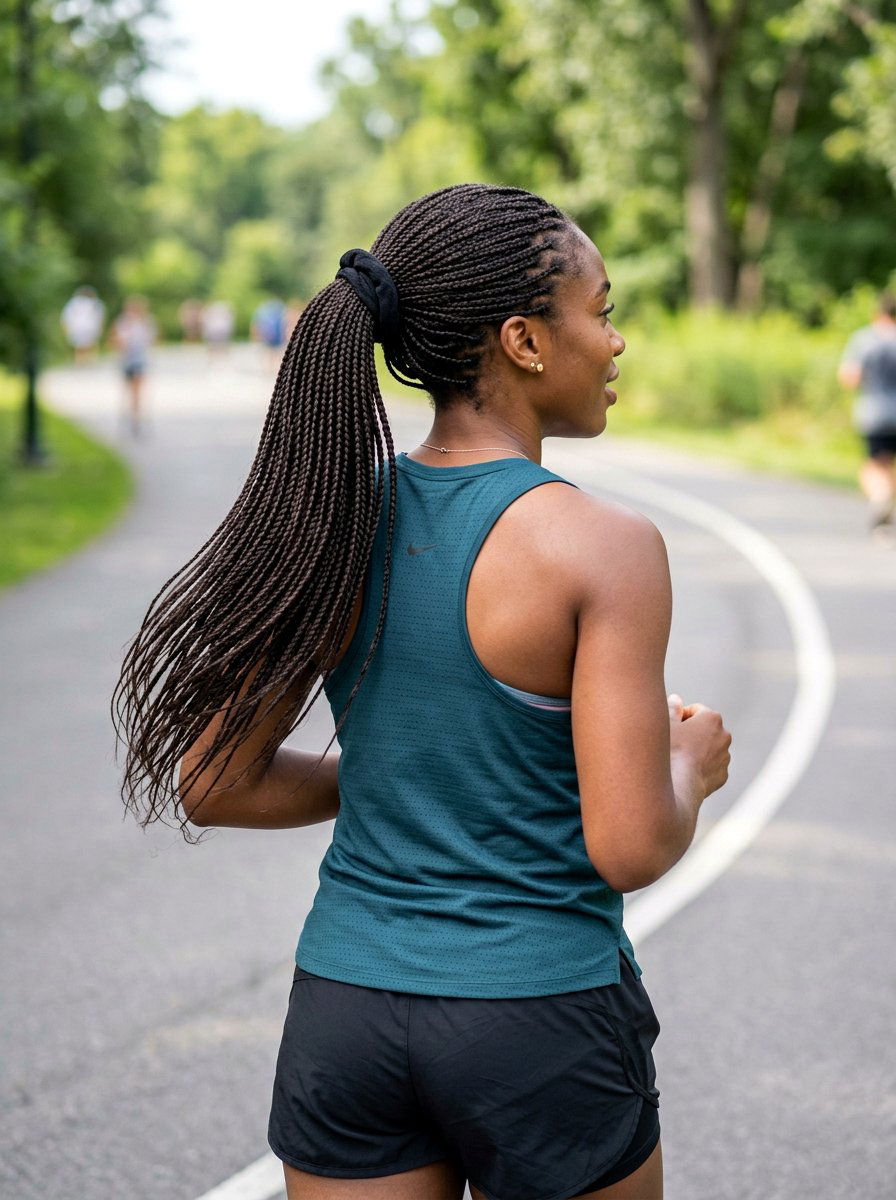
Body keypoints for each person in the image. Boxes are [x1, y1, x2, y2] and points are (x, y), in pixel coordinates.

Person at [111, 184, 732, 1200]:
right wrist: (684, 767)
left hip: (344, 1015)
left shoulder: (335, 516)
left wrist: (400, 774)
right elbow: (628, 846)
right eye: (602, 310)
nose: (615, 343)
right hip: (536, 1017)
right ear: (525, 341)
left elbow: (213, 782)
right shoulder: (603, 547)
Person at [838, 291, 896, 543]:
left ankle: (880, 500)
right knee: (889, 465)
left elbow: (850, 377)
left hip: (874, 411)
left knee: (875, 464)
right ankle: (886, 500)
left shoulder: (864, 339)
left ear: (878, 313)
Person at [110, 295, 156, 437]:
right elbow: (115, 342)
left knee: (137, 392)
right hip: (125, 361)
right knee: (127, 390)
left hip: (139, 361)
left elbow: (151, 340)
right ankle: (128, 415)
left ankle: (136, 419)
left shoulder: (146, 323)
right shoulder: (122, 323)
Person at [60, 285, 105, 363]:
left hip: (77, 327)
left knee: (79, 346)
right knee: (91, 344)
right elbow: (99, 316)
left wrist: (66, 329)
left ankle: (80, 361)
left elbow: (66, 317)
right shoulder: (95, 303)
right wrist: (100, 327)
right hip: (90, 327)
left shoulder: (72, 303)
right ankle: (91, 360)